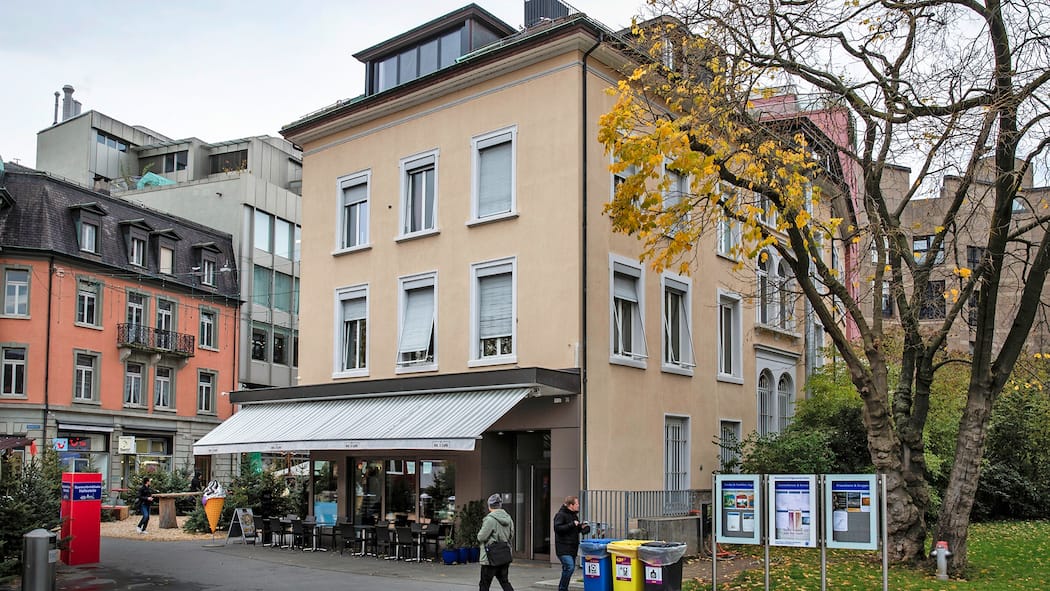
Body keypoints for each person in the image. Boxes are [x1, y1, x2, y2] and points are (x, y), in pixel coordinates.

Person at [477, 493, 514, 591]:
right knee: (504, 581)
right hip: (504, 555)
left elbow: (481, 537)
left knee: (484, 584)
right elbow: (511, 535)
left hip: (490, 557)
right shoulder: (508, 518)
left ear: (489, 506)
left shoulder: (490, 519)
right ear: (500, 505)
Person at [553, 495, 591, 591]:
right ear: (571, 505)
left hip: (572, 548)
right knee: (570, 567)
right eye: (577, 504)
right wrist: (572, 524)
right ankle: (562, 588)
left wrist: (584, 528)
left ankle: (563, 588)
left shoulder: (574, 515)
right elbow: (557, 528)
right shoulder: (560, 515)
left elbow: (576, 530)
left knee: (567, 568)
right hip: (563, 547)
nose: (578, 505)